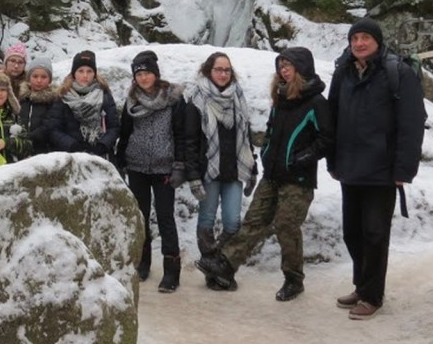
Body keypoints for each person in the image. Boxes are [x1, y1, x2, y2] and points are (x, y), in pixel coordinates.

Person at [195, 48, 334, 300]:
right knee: (254, 220)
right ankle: (226, 266)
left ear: (302, 68)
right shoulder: (281, 98)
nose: (283, 70)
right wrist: (267, 154)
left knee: (286, 226)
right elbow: (270, 132)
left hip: (298, 179)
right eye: (281, 65)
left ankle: (294, 279)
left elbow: (327, 139)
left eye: (288, 65)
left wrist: (302, 158)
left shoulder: (317, 103)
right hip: (272, 175)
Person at [327, 18, 424, 320]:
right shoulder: (343, 72)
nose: (359, 43)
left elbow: (412, 123)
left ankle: (372, 295)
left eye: (365, 37)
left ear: (377, 41)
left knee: (374, 233)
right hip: (350, 168)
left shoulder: (398, 73)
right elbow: (333, 118)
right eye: (355, 38)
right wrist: (332, 161)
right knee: (352, 233)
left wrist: (403, 169)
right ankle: (362, 284)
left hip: (382, 171)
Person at [116, 50, 190, 293]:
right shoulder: (131, 102)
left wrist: (180, 164)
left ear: (156, 74)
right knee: (141, 216)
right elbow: (125, 134)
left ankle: (172, 271)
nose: (143, 78)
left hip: (164, 167)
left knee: (166, 217)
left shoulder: (173, 100)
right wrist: (120, 160)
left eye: (147, 72)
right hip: (137, 166)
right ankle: (143, 263)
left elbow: (181, 134)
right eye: (139, 74)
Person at [185, 51, 257, 286]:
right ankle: (210, 267)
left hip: (234, 170)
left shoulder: (238, 96)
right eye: (219, 69)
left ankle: (222, 267)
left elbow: (245, 136)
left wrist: (252, 167)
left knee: (233, 222)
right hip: (209, 170)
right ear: (209, 71)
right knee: (206, 219)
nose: (224, 74)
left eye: (227, 70)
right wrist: (193, 175)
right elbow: (190, 140)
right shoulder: (197, 99)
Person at [51, 51, 119, 159]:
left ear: (94, 73)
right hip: (70, 157)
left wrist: (103, 144)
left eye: (89, 71)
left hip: (100, 157)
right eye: (81, 71)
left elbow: (114, 127)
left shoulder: (104, 95)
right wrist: (73, 145)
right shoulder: (63, 96)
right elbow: (54, 129)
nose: (85, 75)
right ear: (74, 73)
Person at [17, 58, 60, 156]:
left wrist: (28, 137)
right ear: (29, 78)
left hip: (44, 150)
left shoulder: (54, 100)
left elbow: (49, 125)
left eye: (44, 77)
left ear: (50, 80)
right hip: (21, 150)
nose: (39, 80)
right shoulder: (22, 99)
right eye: (35, 76)